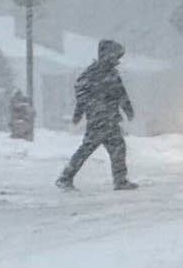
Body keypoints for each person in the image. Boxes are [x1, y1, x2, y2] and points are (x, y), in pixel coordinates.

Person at [56, 40, 138, 191]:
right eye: (115, 56)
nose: (117, 60)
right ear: (107, 55)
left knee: (116, 148)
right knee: (89, 149)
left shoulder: (109, 74)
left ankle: (120, 180)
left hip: (108, 119)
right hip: (100, 120)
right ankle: (65, 177)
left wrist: (128, 109)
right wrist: (79, 112)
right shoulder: (94, 74)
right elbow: (83, 94)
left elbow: (121, 94)